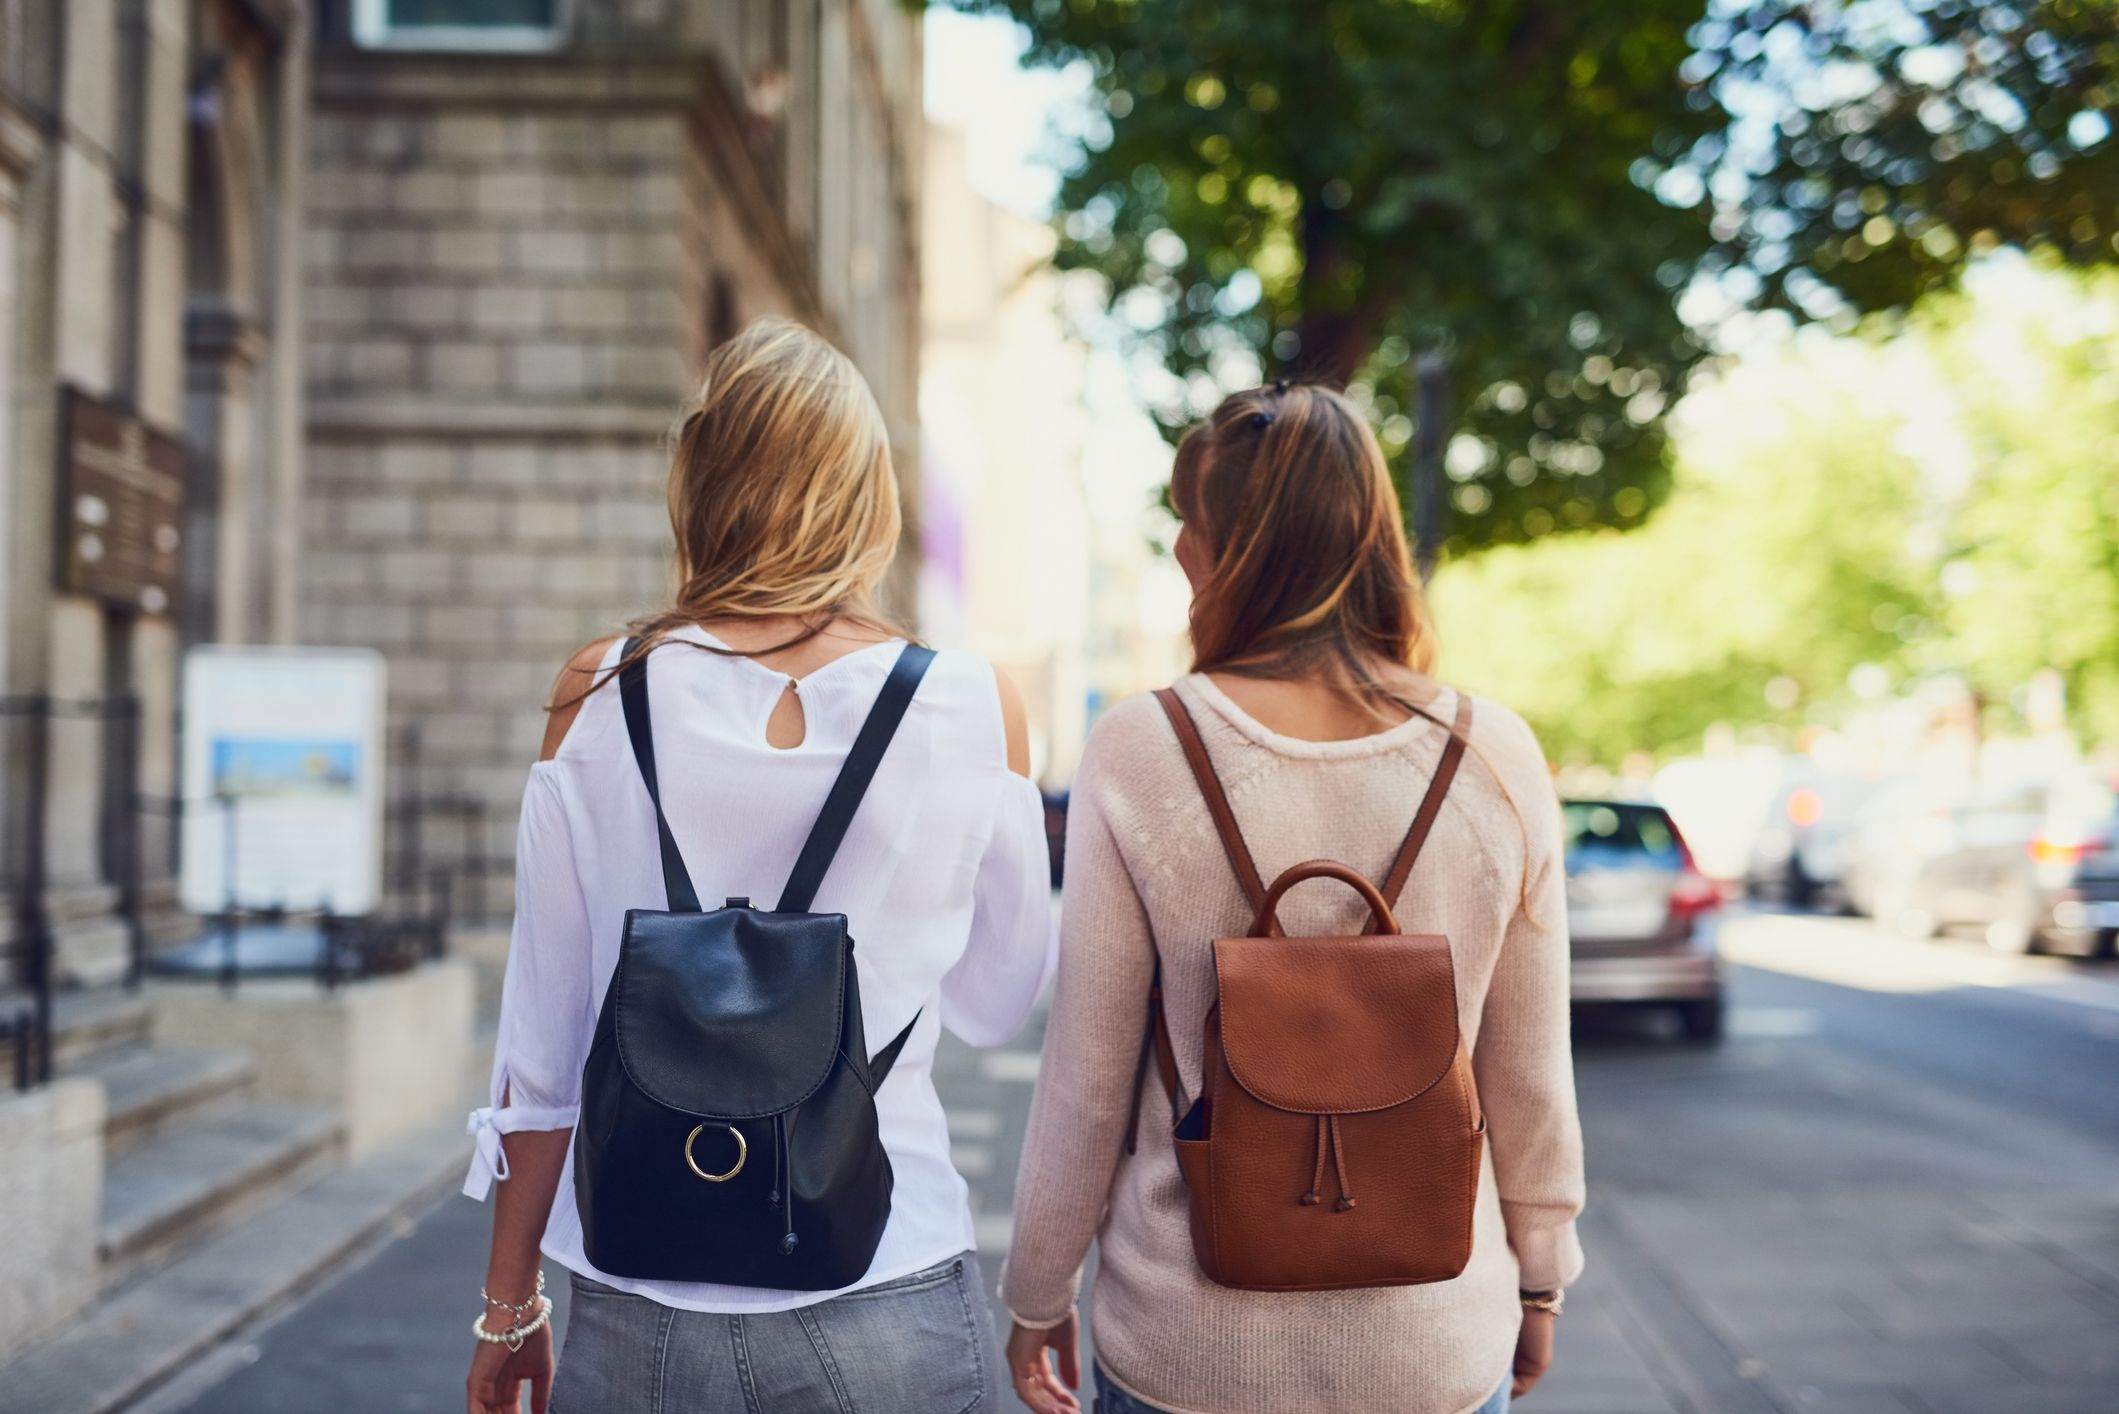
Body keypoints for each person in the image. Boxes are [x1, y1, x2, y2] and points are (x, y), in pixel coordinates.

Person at [461, 318, 1054, 1414]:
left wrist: (511, 1306)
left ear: (699, 482)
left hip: (636, 1291)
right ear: (866, 495)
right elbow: (994, 1002)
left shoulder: (599, 692)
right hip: (885, 1276)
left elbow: (539, 1057)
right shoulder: (969, 703)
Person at [1000, 382, 1585, 1414]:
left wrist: (1038, 1289)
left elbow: (1086, 1077)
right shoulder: (1493, 755)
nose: (1180, 547)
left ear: (1226, 548)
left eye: (1191, 522)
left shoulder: (1146, 747)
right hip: (1437, 1345)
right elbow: (1527, 1074)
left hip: (1187, 1348)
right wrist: (1540, 1276)